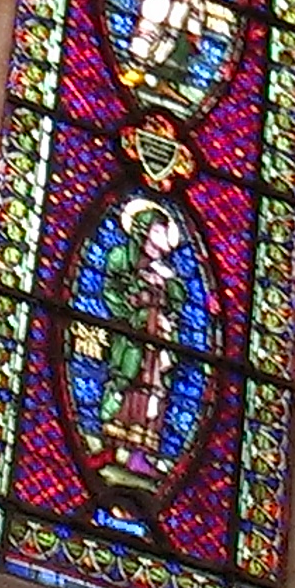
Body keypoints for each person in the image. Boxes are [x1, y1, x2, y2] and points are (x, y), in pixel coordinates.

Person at [87, 201, 191, 491]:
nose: (165, 238)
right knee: (124, 384)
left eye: (165, 232)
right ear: (144, 231)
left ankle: (140, 455)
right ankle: (109, 447)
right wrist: (132, 313)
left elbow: (177, 303)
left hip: (157, 340)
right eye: (159, 231)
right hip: (131, 337)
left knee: (153, 393)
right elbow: (111, 291)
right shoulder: (122, 257)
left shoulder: (168, 273)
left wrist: (166, 286)